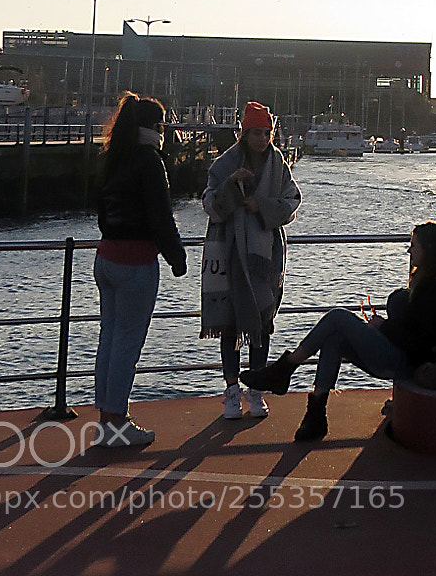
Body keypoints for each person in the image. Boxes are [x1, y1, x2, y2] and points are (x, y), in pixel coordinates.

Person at [246, 216, 436, 443]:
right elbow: (412, 326)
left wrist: (384, 327)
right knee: (334, 338)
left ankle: (285, 368)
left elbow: (422, 340)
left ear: (429, 249)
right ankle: (316, 414)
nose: (409, 251)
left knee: (337, 317)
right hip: (398, 350)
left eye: (414, 245)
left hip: (407, 361)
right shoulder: (427, 280)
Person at [94, 93, 188, 446]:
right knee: (126, 344)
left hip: (106, 256)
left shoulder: (113, 157)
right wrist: (176, 257)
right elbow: (160, 216)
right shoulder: (149, 161)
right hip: (135, 261)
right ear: (154, 127)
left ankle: (105, 418)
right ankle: (118, 421)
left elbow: (101, 209)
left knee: (109, 336)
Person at [201, 100, 301, 420]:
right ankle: (232, 392)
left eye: (267, 132)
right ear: (244, 133)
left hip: (265, 257)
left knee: (261, 323)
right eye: (257, 132)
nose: (263, 139)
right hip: (230, 253)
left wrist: (264, 206)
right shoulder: (224, 163)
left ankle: (256, 390)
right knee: (230, 326)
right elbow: (209, 204)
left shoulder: (278, 164)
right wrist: (231, 186)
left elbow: (292, 200)